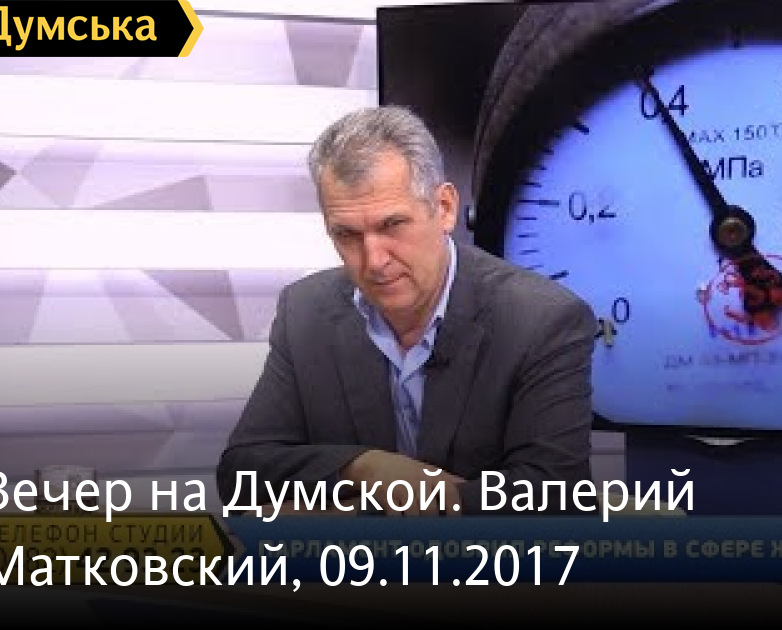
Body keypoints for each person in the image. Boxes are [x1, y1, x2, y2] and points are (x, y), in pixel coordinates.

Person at [216, 106, 597, 516]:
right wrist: (367, 469)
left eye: (392, 225)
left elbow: (555, 495)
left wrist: (423, 502)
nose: (374, 260)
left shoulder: (542, 320)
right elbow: (242, 473)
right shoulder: (305, 311)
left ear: (445, 208)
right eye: (347, 235)